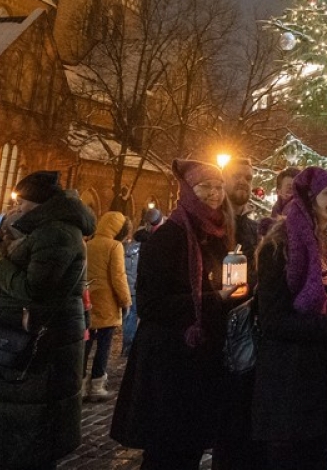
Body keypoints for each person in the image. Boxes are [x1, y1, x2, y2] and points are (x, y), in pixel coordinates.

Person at [111, 159, 255, 469]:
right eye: (205, 187)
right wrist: (212, 298)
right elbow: (151, 305)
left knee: (189, 447)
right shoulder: (169, 236)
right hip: (169, 362)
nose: (214, 193)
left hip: (202, 361)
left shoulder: (220, 233)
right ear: (188, 190)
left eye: (218, 187)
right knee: (167, 451)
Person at [0, 171, 95, 470]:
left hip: (39, 344)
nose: (17, 207)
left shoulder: (57, 233)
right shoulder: (46, 230)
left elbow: (34, 289)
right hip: (31, 339)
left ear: (40, 203)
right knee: (22, 433)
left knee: (33, 434)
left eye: (22, 201)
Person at [252, 167, 327, 470]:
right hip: (286, 376)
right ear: (309, 197)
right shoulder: (280, 245)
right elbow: (272, 320)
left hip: (316, 373)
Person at [83, 211, 132, 402]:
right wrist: (126, 301)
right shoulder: (114, 246)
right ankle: (97, 384)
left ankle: (79, 383)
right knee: (104, 346)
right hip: (106, 302)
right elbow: (118, 277)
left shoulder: (89, 244)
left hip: (88, 299)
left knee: (86, 344)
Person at [122, 206, 163, 355]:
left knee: (131, 317)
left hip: (131, 286)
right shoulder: (155, 246)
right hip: (146, 286)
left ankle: (128, 346)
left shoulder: (128, 246)